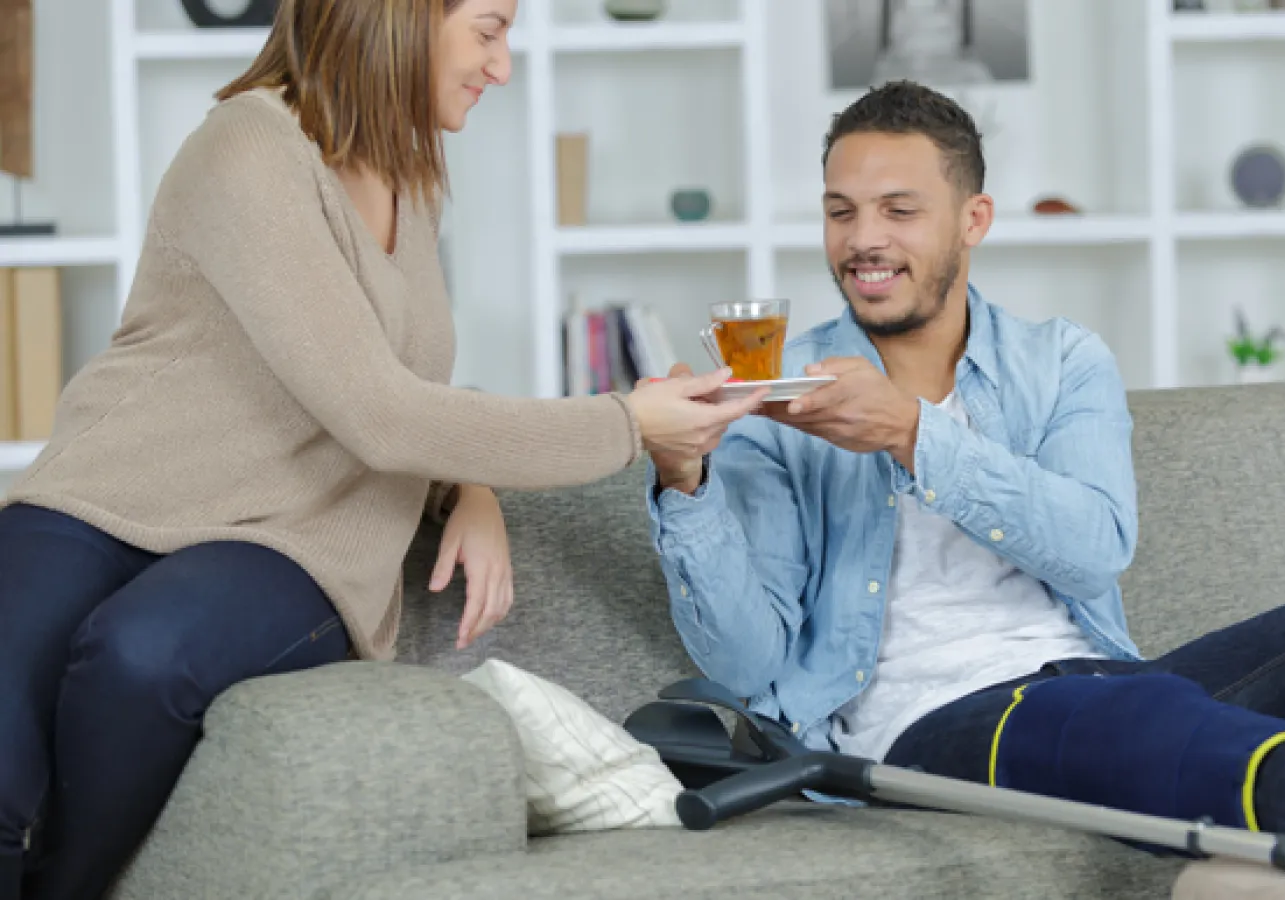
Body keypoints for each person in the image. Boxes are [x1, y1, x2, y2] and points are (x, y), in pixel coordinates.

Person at [644, 79, 1285, 870]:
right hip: (922, 728)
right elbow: (746, 660)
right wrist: (686, 480)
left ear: (973, 220)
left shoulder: (1061, 361)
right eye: (841, 211)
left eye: (898, 210)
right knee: (1110, 717)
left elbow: (1095, 547)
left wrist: (915, 435)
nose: (863, 241)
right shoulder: (776, 401)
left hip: (1093, 676)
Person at [0, 1, 764, 897]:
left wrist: (466, 482)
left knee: (140, 656)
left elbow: (384, 392)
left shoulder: (413, 174)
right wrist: (626, 423)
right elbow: (381, 409)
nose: (502, 65)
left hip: (297, 534)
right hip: (106, 493)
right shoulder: (246, 149)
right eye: (488, 29)